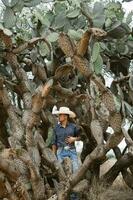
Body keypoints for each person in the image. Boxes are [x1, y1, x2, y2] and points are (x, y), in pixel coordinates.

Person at [52, 106, 80, 199]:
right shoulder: (56, 128)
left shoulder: (73, 127)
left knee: (75, 171)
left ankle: (74, 197)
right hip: (60, 151)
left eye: (60, 115)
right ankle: (64, 195)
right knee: (62, 174)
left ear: (65, 116)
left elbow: (81, 137)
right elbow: (54, 143)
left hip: (72, 150)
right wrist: (54, 156)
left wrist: (74, 139)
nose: (59, 117)